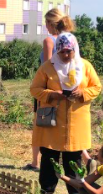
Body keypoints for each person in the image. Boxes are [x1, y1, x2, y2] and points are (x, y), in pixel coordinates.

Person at [30, 32, 102, 194]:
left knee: (74, 156)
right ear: (57, 51)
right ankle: (47, 190)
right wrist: (51, 94)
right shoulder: (48, 67)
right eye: (62, 52)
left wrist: (82, 92)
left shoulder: (85, 66)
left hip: (76, 120)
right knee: (49, 155)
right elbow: (35, 89)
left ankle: (76, 192)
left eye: (69, 51)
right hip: (52, 119)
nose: (66, 55)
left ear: (74, 49)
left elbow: (96, 87)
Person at [26, 10, 77, 171]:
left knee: (40, 124)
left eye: (46, 23)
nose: (45, 26)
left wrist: (43, 91)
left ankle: (36, 162)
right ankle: (86, 158)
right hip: (66, 87)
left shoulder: (50, 41)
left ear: (50, 24)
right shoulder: (70, 39)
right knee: (65, 124)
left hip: (49, 89)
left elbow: (47, 67)